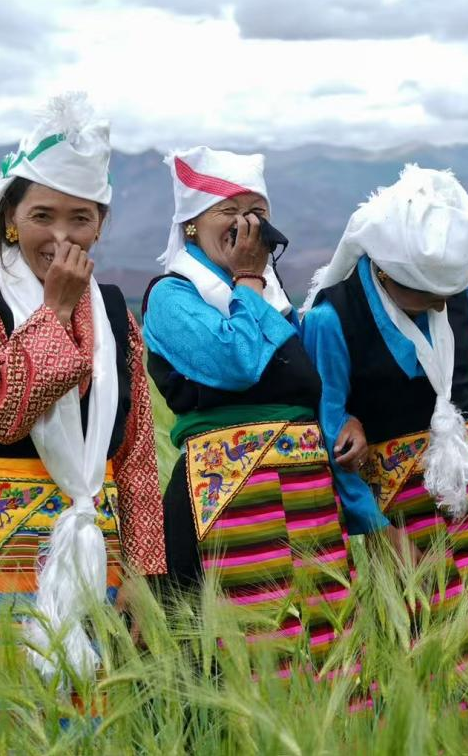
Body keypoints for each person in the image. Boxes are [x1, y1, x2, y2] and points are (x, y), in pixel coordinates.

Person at [0, 95, 165, 733]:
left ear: (100, 224)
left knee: (85, 718)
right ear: (9, 222)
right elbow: (0, 412)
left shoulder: (111, 312)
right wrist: (52, 312)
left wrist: (142, 565)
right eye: (41, 215)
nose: (61, 235)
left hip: (86, 542)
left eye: (79, 218)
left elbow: (132, 448)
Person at [301, 165, 468, 664]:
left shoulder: (456, 286)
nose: (442, 303)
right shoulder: (333, 320)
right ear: (387, 271)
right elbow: (330, 428)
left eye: (449, 293)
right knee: (435, 656)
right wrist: (377, 533)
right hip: (401, 519)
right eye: (428, 295)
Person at [141, 147, 355, 672]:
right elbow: (237, 361)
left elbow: (307, 382)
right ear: (191, 226)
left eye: (256, 211)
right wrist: (250, 280)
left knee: (318, 643)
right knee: (238, 650)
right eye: (228, 210)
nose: (246, 224)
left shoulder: (276, 300)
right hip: (225, 497)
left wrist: (344, 420)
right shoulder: (171, 297)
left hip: (303, 495)